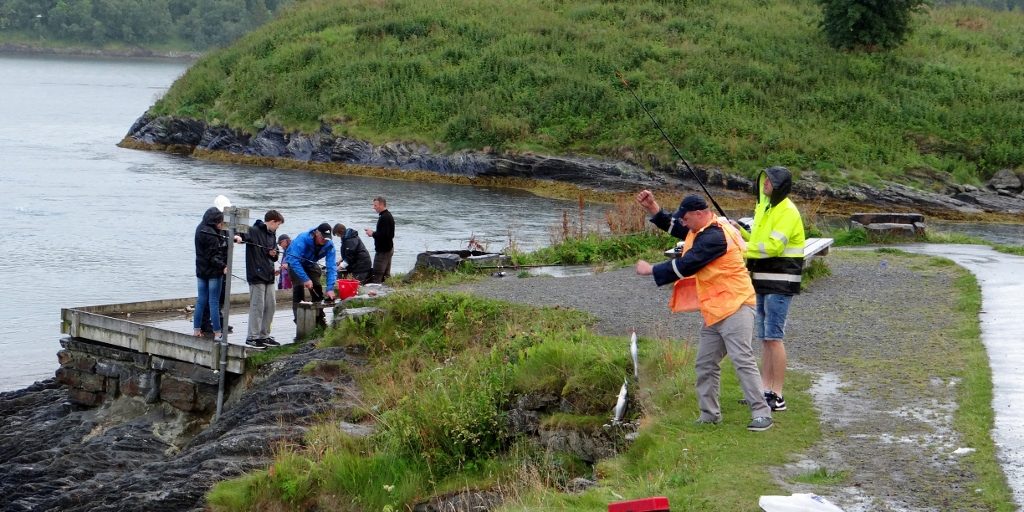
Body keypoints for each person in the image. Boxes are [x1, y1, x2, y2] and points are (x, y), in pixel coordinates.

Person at [634, 192, 773, 432]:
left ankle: (762, 413)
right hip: (715, 310)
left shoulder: (715, 236)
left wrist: (652, 270)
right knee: (705, 364)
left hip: (736, 306)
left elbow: (689, 263)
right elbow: (677, 228)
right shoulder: (701, 228)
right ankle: (709, 415)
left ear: (700, 214)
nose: (684, 224)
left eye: (686, 219)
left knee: (743, 360)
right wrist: (654, 209)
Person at [733, 166, 805, 412]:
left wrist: (741, 247)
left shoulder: (787, 211)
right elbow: (757, 241)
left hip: (780, 280)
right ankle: (764, 391)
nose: (764, 185)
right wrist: (739, 232)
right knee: (765, 338)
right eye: (763, 181)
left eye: (769, 182)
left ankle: (778, 394)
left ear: (779, 186)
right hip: (762, 280)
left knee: (774, 337)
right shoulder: (766, 207)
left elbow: (773, 246)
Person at [236, 210, 284, 349]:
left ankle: (264, 335)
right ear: (272, 221)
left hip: (269, 274)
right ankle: (252, 337)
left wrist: (274, 254)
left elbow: (274, 255)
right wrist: (238, 237)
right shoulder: (254, 230)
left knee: (271, 306)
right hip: (256, 275)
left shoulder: (272, 234)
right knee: (258, 306)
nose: (278, 228)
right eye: (278, 225)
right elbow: (242, 235)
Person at [285, 222, 338, 328]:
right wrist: (305, 279)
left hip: (310, 264)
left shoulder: (329, 244)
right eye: (322, 237)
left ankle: (319, 316)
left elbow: (331, 267)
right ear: (316, 233)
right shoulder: (303, 239)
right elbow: (293, 260)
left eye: (327, 238)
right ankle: (298, 319)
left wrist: (330, 288)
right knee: (299, 287)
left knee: (317, 286)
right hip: (295, 263)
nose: (324, 241)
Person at [193, 207, 227, 341]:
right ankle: (218, 332)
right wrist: (224, 266)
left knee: (201, 300)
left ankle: (196, 330)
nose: (221, 224)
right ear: (215, 221)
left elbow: (204, 254)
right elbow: (213, 256)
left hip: (201, 271)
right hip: (213, 273)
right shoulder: (212, 235)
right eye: (220, 222)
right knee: (214, 301)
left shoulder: (199, 228)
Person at [364, 196, 395, 284]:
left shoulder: (384, 217)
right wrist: (374, 233)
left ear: (381, 205)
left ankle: (375, 294)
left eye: (375, 205)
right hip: (388, 248)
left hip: (383, 251)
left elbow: (385, 235)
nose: (373, 207)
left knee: (377, 274)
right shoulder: (387, 215)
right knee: (386, 275)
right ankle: (386, 291)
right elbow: (388, 234)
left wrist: (372, 233)